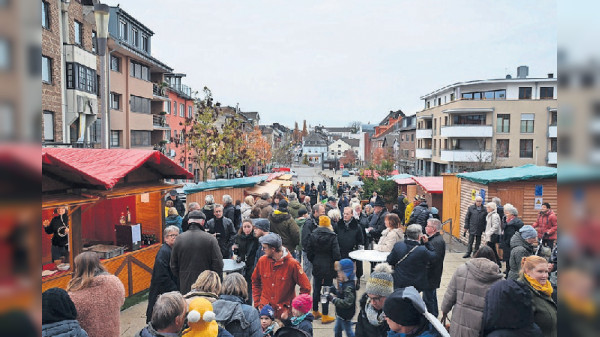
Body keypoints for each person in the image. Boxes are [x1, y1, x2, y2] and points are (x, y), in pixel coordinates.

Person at [440, 246, 503, 337]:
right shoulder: (500, 279)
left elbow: (451, 293)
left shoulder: (462, 270)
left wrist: (445, 309)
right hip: (483, 325)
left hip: (461, 321)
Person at [252, 233, 311, 319]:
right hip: (265, 313)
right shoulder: (262, 261)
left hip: (284, 315)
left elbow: (306, 287)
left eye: (264, 247)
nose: (262, 249)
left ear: (273, 249)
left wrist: (296, 308)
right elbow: (255, 281)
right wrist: (257, 304)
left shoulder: (292, 264)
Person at [67, 251, 125, 337]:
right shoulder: (115, 283)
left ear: (78, 268)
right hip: (113, 333)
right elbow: (121, 301)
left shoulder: (74, 296)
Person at [171, 210, 223, 294]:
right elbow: (219, 264)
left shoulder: (179, 239)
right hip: (206, 285)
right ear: (203, 222)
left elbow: (173, 265)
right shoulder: (210, 239)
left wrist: (183, 276)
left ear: (188, 222)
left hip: (185, 284)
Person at [304, 215, 341, 324]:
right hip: (328, 266)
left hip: (317, 264)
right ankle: (325, 314)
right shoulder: (332, 236)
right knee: (326, 290)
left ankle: (315, 311)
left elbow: (308, 251)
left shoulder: (313, 235)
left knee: (316, 288)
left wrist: (314, 260)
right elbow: (336, 253)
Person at [386, 224, 436, 291]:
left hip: (399, 281)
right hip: (415, 284)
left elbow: (389, 260)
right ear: (419, 236)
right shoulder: (422, 250)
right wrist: (427, 243)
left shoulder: (398, 245)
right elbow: (434, 256)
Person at [146, 226, 180, 323]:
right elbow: (161, 275)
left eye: (176, 235)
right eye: (171, 235)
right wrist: (175, 289)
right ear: (165, 238)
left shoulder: (172, 250)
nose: (174, 237)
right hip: (162, 291)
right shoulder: (164, 252)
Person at [518, 256, 557, 337]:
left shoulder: (546, 289)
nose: (545, 276)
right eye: (540, 271)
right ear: (527, 271)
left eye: (546, 272)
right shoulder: (523, 292)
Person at [355, 263, 393, 337]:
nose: (372, 303)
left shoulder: (397, 315)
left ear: (387, 295)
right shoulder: (364, 310)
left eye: (376, 298)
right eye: (370, 297)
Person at [334, 206, 364, 290]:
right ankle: (340, 291)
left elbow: (361, 241)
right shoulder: (338, 225)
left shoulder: (357, 227)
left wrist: (358, 253)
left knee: (352, 274)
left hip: (352, 255)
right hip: (340, 253)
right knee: (340, 273)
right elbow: (334, 239)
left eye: (347, 214)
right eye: (344, 213)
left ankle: (351, 290)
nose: (345, 215)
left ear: (352, 214)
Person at [422, 218, 446, 318]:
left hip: (431, 275)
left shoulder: (437, 241)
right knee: (431, 297)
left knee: (429, 299)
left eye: (428, 226)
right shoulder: (432, 239)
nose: (425, 227)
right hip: (431, 275)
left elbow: (433, 259)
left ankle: (431, 319)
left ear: (434, 228)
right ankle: (433, 316)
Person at [327, 259, 357, 337]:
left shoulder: (349, 287)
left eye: (340, 272)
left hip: (346, 314)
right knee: (337, 329)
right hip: (341, 314)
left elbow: (347, 302)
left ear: (346, 273)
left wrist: (333, 299)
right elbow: (341, 294)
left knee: (349, 332)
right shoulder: (344, 283)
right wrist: (334, 291)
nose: (338, 274)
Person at [233, 219, 259, 304]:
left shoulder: (255, 239)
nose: (247, 229)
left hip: (251, 265)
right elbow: (237, 252)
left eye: (248, 227)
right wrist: (235, 251)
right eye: (245, 227)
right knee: (240, 286)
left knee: (249, 287)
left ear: (252, 227)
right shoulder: (239, 237)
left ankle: (248, 303)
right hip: (241, 264)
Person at [301, 204, 325, 283]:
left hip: (317, 254)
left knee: (317, 275)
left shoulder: (319, 221)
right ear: (316, 212)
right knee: (307, 276)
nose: (324, 214)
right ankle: (305, 293)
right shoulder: (308, 223)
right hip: (309, 254)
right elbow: (305, 241)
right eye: (322, 213)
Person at [501, 204, 523, 277]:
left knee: (511, 259)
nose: (505, 214)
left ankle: (510, 274)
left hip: (512, 243)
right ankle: (507, 272)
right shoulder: (506, 220)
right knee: (507, 259)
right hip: (506, 243)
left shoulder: (516, 222)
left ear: (512, 214)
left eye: (507, 213)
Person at [484, 202, 502, 266]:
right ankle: (497, 263)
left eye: (488, 207)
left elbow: (496, 226)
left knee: (492, 250)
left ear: (492, 208)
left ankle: (496, 263)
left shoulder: (494, 216)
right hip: (490, 235)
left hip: (493, 235)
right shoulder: (489, 215)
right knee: (492, 250)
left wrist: (489, 233)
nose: (487, 208)